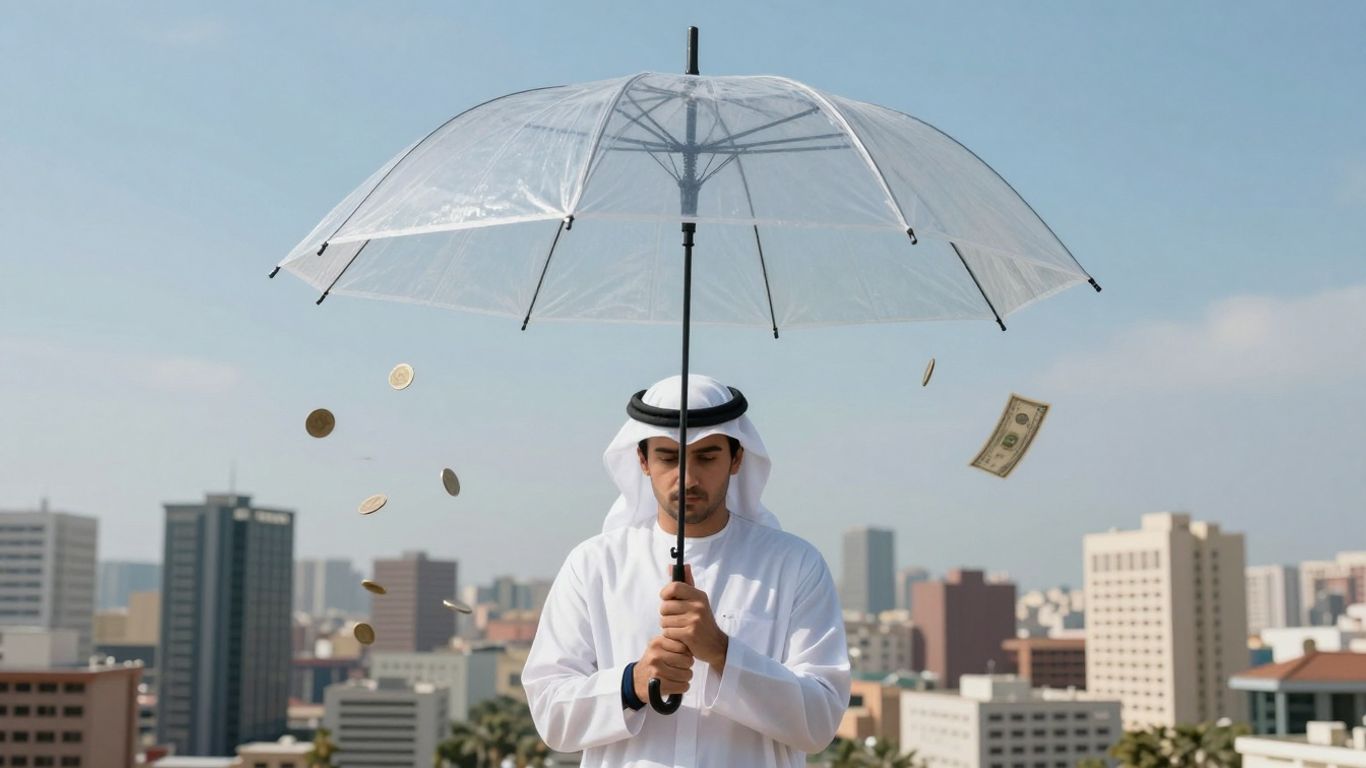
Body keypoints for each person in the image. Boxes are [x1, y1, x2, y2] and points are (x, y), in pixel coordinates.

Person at [523, 374, 850, 767]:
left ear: (737, 458)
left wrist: (722, 652)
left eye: (707, 457)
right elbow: (550, 715)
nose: (688, 478)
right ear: (642, 461)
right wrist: (632, 684)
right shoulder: (593, 566)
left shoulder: (795, 566)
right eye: (667, 457)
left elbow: (819, 723)